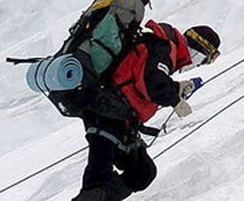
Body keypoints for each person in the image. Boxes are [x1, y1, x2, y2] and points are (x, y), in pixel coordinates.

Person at [74, 23, 220, 201]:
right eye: (199, 59)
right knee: (100, 179)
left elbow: (141, 77)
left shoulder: (161, 47)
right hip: (107, 112)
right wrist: (175, 100)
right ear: (195, 49)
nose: (193, 64)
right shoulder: (164, 48)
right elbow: (153, 84)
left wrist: (175, 87)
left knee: (142, 171)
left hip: (117, 116)